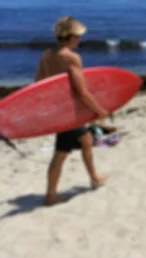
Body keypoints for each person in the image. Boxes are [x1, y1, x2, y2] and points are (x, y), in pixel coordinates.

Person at [35, 16, 108, 206]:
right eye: (78, 36)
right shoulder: (72, 58)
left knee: (86, 140)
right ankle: (50, 195)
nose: (79, 40)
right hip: (70, 113)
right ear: (71, 36)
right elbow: (82, 92)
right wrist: (99, 110)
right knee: (60, 153)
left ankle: (94, 177)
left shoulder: (47, 55)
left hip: (58, 110)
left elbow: (38, 85)